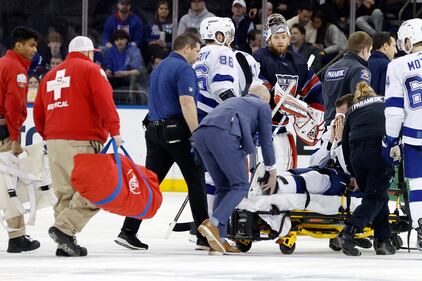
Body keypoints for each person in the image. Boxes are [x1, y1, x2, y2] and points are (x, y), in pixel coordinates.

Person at [116, 33, 209, 251]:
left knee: (150, 184)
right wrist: (197, 133)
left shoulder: (158, 69)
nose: (197, 56)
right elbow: (187, 103)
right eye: (196, 50)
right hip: (176, 133)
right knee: (196, 181)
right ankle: (204, 237)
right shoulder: (184, 69)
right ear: (187, 48)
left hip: (155, 132)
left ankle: (128, 230)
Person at [34, 36, 122, 257]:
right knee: (97, 189)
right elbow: (105, 100)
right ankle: (63, 229)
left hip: (54, 140)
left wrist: (48, 135)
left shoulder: (50, 75)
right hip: (82, 140)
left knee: (66, 193)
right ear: (89, 53)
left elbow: (38, 111)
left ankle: (66, 242)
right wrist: (115, 130)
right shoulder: (92, 70)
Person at [195, 85, 277, 254]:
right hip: (224, 134)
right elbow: (267, 140)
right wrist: (272, 170)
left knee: (223, 187)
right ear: (264, 99)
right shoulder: (262, 106)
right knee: (240, 186)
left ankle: (220, 239)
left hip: (201, 135)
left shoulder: (234, 101)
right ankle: (213, 223)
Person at [254, 13, 323, 171]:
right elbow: (260, 90)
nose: (280, 40)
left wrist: (316, 110)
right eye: (276, 37)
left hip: (284, 128)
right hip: (261, 128)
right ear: (268, 39)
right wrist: (285, 102)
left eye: (283, 36)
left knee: (285, 172)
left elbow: (314, 88)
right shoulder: (259, 58)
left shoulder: (298, 61)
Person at [336, 81, 396, 256]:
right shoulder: (385, 102)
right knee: (375, 197)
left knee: (378, 195)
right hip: (378, 151)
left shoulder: (353, 110)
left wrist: (351, 171)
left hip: (357, 157)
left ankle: (382, 241)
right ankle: (348, 232)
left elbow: (345, 143)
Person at [0, 26, 40, 253]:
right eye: (31, 45)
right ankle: (16, 237)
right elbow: (13, 107)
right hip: (4, 133)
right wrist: (15, 138)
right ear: (18, 45)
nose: (35, 50)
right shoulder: (16, 70)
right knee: (9, 186)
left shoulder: (1, 63)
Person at [384, 18, 422, 250]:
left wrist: (391, 139)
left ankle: (421, 227)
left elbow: (395, 109)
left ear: (409, 39)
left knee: (417, 184)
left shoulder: (397, 65)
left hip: (413, 135)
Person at [322, 31, 373, 125]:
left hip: (327, 124)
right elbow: (361, 101)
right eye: (370, 51)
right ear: (364, 50)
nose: (370, 54)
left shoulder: (329, 68)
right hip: (346, 127)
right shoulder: (360, 70)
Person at [368, 32, 397, 96]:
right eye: (394, 46)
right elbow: (386, 95)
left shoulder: (363, 63)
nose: (396, 51)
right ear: (385, 46)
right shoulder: (388, 65)